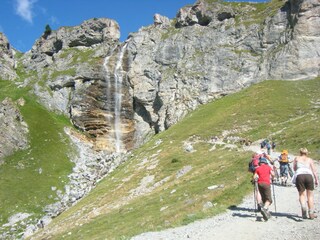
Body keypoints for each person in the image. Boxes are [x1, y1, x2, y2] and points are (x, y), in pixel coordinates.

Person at [293, 148, 319, 219]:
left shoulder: (297, 158)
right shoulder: (310, 159)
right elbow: (314, 170)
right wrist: (316, 179)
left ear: (300, 152)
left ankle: (303, 207)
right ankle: (311, 213)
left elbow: (294, 168)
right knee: (310, 195)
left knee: (302, 194)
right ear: (307, 153)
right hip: (309, 176)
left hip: (300, 175)